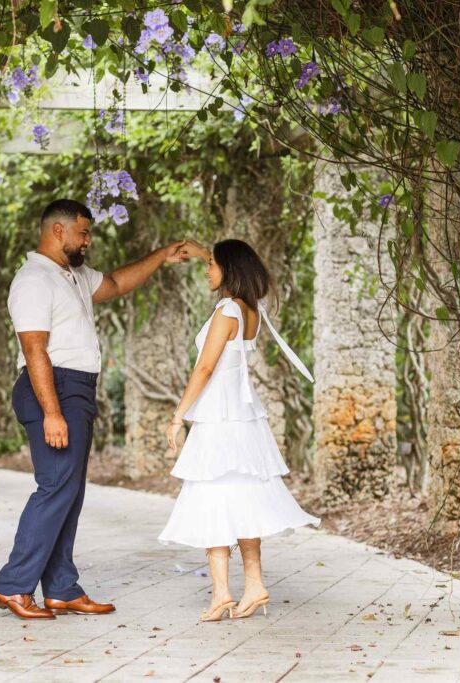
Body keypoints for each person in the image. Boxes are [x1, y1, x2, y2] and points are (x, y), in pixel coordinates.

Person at [0, 199, 189, 619]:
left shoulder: (73, 276)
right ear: (58, 231)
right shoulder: (33, 280)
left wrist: (161, 256)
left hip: (75, 388)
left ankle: (61, 588)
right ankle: (13, 586)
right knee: (55, 487)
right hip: (53, 387)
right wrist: (52, 412)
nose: (88, 241)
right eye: (83, 233)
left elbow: (115, 283)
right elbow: (34, 348)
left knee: (70, 491)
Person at [159, 238, 320, 622]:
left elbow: (205, 368)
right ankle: (253, 585)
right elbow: (226, 259)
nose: (206, 270)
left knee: (213, 498)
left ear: (228, 270)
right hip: (243, 419)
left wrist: (178, 415)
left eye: (210, 265)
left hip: (219, 418)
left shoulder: (227, 310)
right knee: (243, 499)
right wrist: (203, 251)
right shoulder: (250, 310)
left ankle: (221, 593)